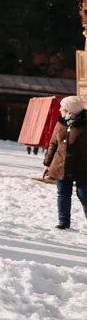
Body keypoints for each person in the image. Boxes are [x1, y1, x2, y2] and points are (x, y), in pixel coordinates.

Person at [44, 96, 87, 230]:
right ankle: (63, 222)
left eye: (63, 107)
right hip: (61, 164)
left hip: (82, 166)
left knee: (84, 194)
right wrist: (47, 162)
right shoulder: (61, 123)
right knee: (63, 193)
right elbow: (53, 144)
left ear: (71, 110)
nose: (60, 109)